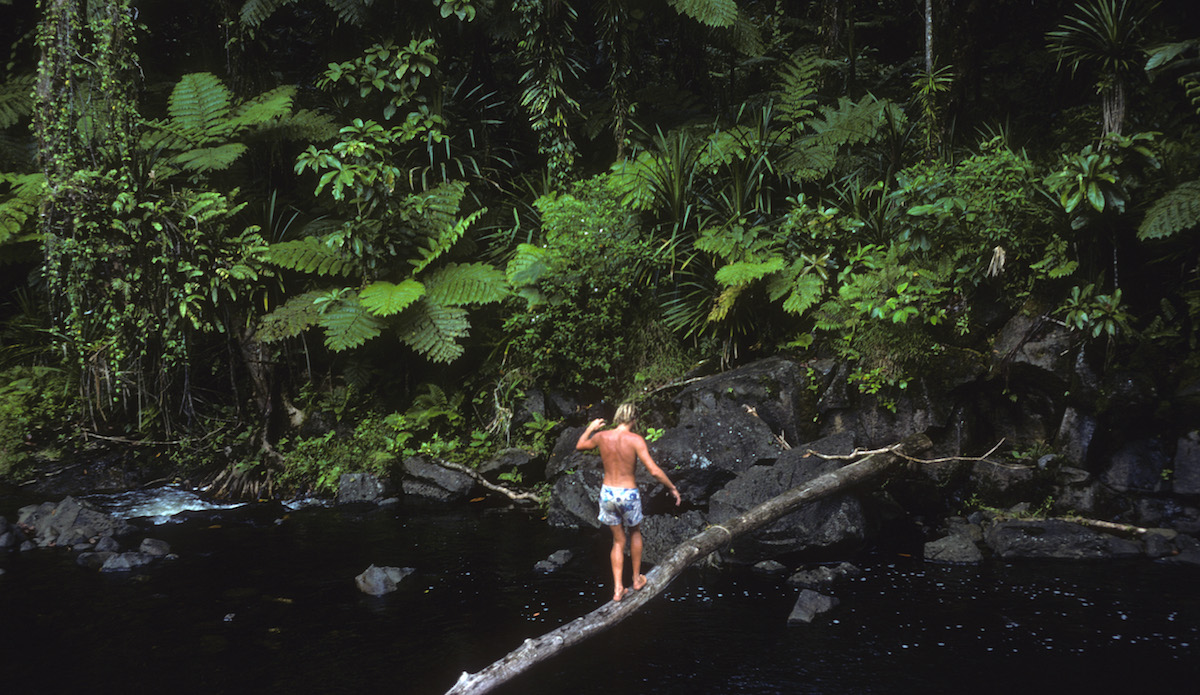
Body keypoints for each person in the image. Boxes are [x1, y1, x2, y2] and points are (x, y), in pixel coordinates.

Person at [576, 402, 681, 602]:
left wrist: (590, 428)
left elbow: (580, 445)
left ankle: (617, 589)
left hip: (607, 493)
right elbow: (654, 470)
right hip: (628, 494)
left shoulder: (602, 436)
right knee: (634, 532)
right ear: (634, 420)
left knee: (617, 541)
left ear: (617, 417)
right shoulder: (635, 440)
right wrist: (672, 487)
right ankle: (636, 579)